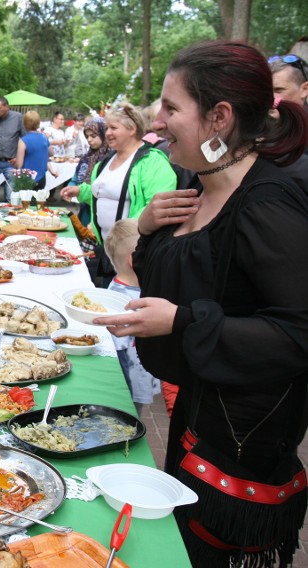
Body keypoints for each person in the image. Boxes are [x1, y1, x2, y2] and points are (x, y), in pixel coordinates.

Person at [94, 40, 308, 567]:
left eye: (170, 109)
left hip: (238, 440)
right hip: (196, 413)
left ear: (219, 118)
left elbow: (297, 333)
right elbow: (190, 276)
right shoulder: (195, 184)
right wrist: (145, 229)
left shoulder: (268, 205)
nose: (156, 123)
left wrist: (182, 321)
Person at [59, 102, 176, 286]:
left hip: (132, 255)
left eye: (113, 127)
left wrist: (124, 236)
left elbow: (158, 206)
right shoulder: (106, 161)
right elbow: (104, 194)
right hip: (105, 250)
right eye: (106, 128)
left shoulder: (152, 162)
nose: (108, 133)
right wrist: (81, 191)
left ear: (132, 129)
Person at [103, 218, 161, 417]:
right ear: (134, 258)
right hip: (131, 383)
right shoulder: (125, 302)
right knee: (130, 416)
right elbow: (119, 354)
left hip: (138, 374)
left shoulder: (126, 290)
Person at [69, 117, 110, 227]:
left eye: (93, 136)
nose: (89, 140)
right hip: (84, 209)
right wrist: (70, 187)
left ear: (103, 134)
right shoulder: (86, 158)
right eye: (87, 136)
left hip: (100, 211)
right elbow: (75, 178)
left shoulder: (110, 159)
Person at [20, 110, 55, 191]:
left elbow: (19, 164)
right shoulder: (44, 138)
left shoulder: (23, 141)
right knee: (39, 201)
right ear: (38, 123)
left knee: (27, 201)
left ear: (25, 124)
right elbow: (51, 153)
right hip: (41, 176)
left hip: (27, 177)